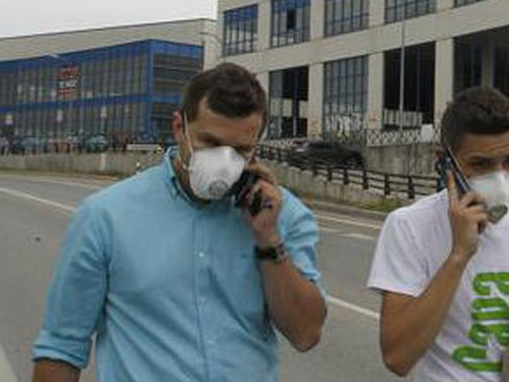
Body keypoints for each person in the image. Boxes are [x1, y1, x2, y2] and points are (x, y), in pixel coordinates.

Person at [32, 62, 327, 381]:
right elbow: (61, 349)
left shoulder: (283, 213)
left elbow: (305, 334)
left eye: (241, 150)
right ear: (179, 128)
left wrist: (268, 239)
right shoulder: (105, 216)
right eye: (211, 143)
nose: (225, 162)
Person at [369, 86, 509, 380]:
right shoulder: (409, 226)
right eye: (480, 165)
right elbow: (397, 357)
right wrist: (458, 255)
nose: (500, 176)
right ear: (445, 162)